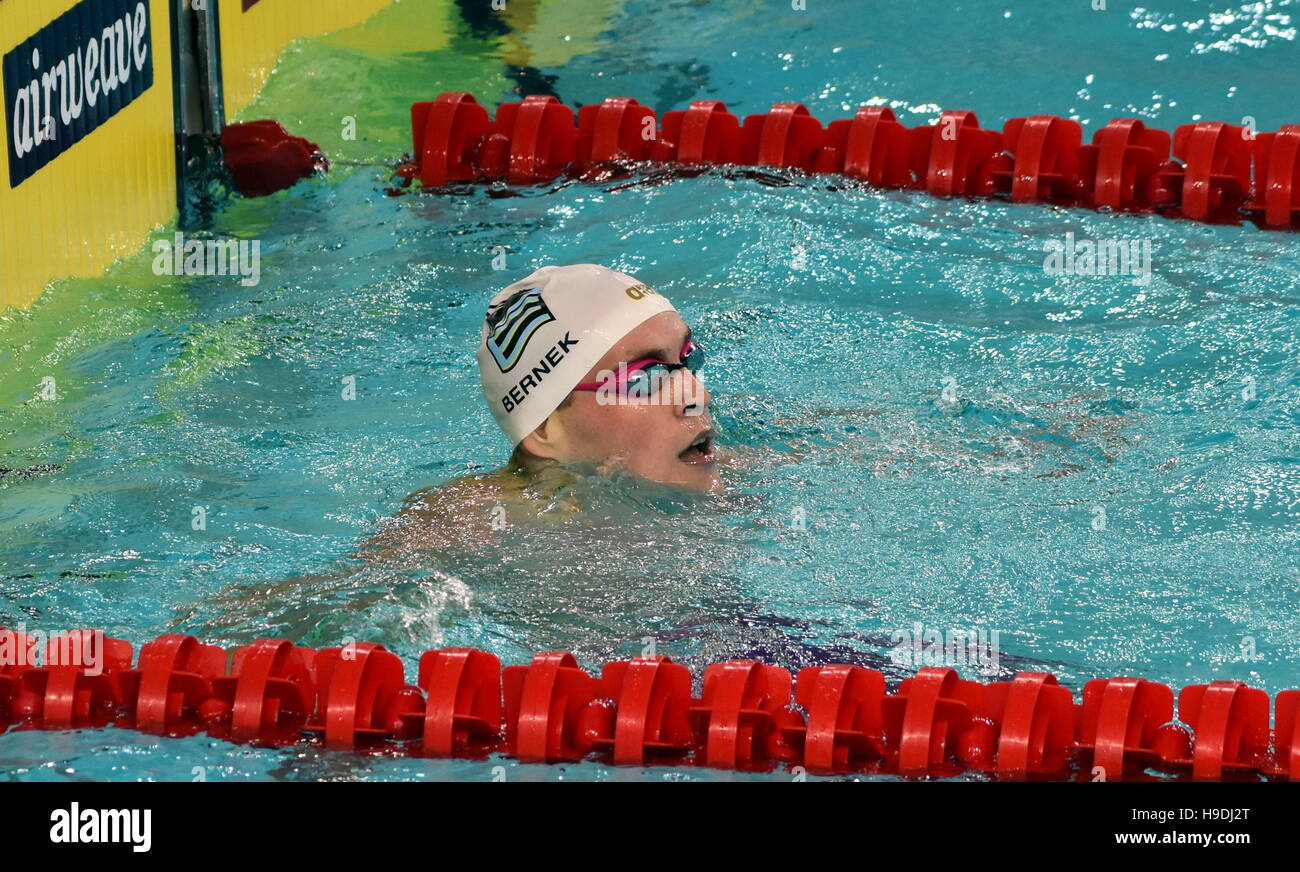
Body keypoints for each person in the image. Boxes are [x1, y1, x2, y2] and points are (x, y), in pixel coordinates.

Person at [365, 264, 719, 556]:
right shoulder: (457, 530)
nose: (698, 396)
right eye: (645, 377)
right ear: (542, 428)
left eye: (688, 357)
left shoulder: (746, 477)